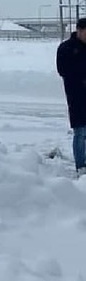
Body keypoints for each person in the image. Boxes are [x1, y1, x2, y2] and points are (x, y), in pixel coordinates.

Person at [57, 17, 86, 176]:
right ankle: (81, 166)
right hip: (76, 95)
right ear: (79, 30)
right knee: (80, 131)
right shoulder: (66, 48)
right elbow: (63, 70)